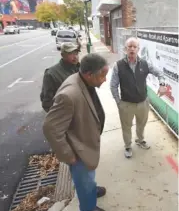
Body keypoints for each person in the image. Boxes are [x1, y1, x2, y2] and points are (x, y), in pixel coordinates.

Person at [43, 54, 109, 211]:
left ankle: (90, 189)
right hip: (79, 152)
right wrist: (69, 156)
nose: (105, 79)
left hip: (85, 143)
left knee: (88, 178)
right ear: (89, 74)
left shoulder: (83, 80)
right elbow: (50, 128)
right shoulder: (69, 95)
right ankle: (89, 206)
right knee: (84, 181)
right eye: (102, 75)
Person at [110, 37, 167, 158]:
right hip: (126, 104)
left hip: (143, 103)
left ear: (138, 49)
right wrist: (118, 102)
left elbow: (159, 73)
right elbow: (113, 85)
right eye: (129, 46)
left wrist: (162, 85)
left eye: (134, 47)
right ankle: (127, 146)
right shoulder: (118, 65)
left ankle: (140, 140)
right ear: (125, 49)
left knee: (141, 124)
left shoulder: (145, 64)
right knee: (126, 127)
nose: (132, 49)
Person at [40, 42, 80, 112]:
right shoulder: (51, 74)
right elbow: (47, 102)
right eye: (71, 54)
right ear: (62, 55)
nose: (75, 57)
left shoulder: (81, 69)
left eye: (76, 53)